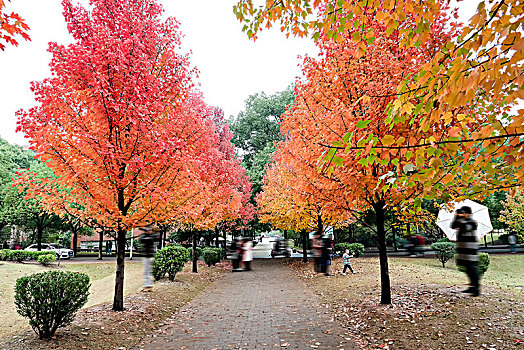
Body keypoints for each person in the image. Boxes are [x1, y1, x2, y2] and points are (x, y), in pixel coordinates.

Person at [451, 206, 480, 296]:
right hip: (463, 249)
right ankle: (472, 287)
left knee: (472, 268)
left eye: (464, 213)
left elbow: (465, 227)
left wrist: (460, 218)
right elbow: (453, 226)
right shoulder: (460, 220)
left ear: (468, 214)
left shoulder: (472, 222)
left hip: (470, 249)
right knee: (467, 268)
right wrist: (456, 216)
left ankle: (476, 288)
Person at [139, 226, 158, 292]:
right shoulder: (145, 236)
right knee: (146, 272)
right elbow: (141, 239)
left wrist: (147, 233)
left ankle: (148, 286)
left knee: (147, 272)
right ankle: (147, 285)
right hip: (147, 256)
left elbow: (146, 239)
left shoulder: (152, 236)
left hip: (149, 256)